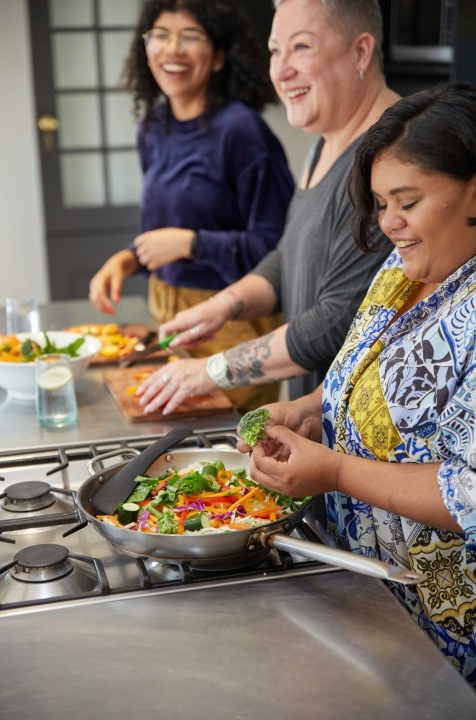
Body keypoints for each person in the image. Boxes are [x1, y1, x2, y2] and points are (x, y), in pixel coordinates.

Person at [237, 82, 476, 686]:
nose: (390, 223)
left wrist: (337, 472)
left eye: (408, 201)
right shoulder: (402, 267)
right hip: (363, 590)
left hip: (445, 631)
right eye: (379, 203)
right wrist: (314, 410)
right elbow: (363, 377)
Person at [136, 0, 396, 417]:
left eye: (301, 47)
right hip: (317, 419)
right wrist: (224, 305)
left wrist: (213, 369)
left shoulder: (389, 156)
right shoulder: (324, 144)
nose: (281, 70)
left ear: (360, 52)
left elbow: (335, 321)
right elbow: (288, 254)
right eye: (276, 51)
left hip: (364, 432)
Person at [88, 0, 295, 413]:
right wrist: (130, 259)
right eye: (160, 35)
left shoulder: (242, 131)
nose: (172, 50)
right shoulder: (154, 126)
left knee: (222, 454)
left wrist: (193, 245)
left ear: (219, 56)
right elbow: (173, 225)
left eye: (191, 37)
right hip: (166, 315)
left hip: (235, 326)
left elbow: (279, 250)